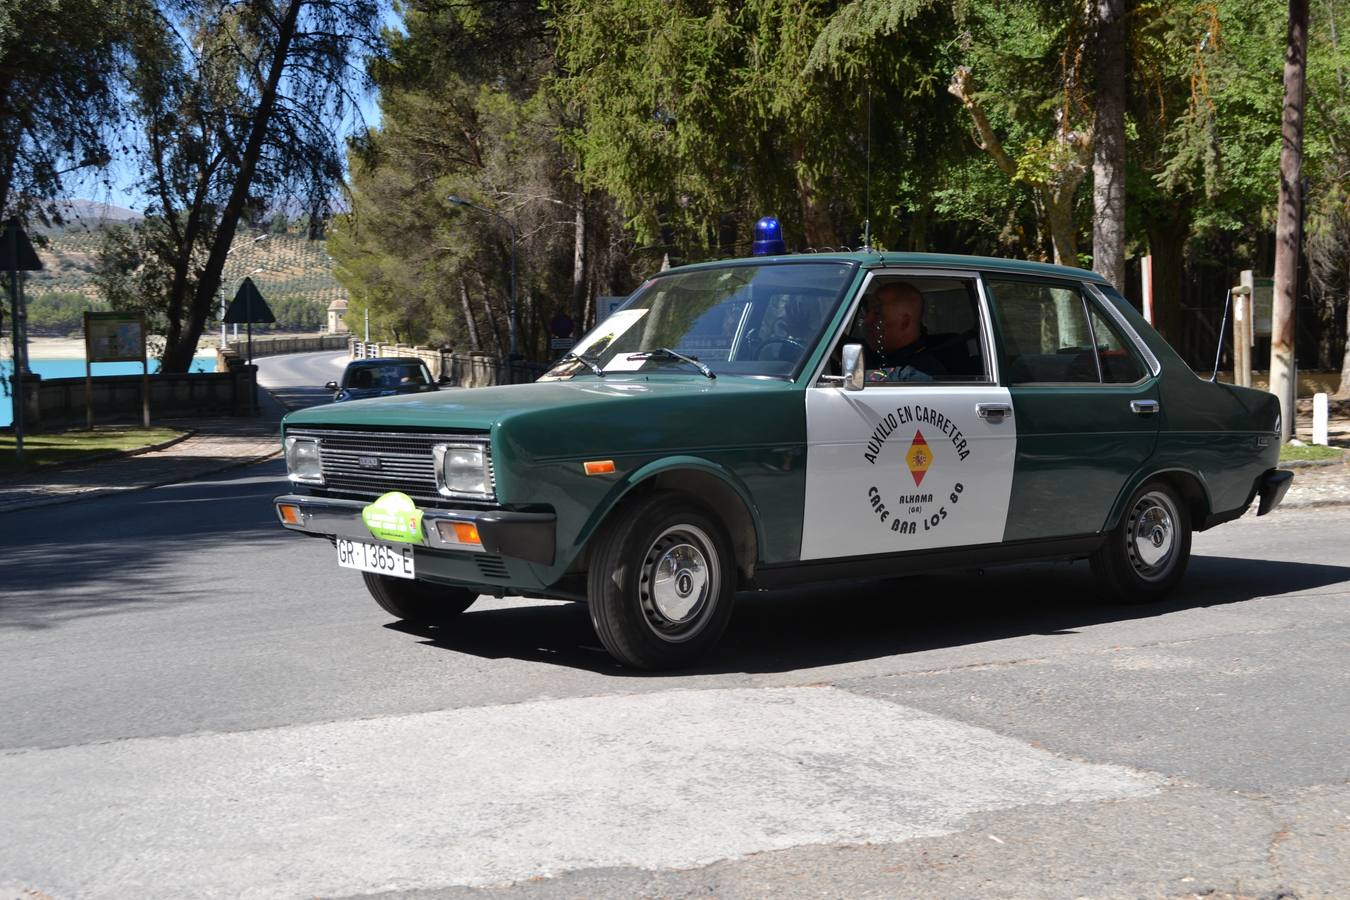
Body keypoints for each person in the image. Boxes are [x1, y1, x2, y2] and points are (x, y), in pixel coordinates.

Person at [861, 282, 948, 382]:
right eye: (867, 311)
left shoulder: (919, 373)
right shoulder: (876, 354)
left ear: (905, 322)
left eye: (877, 313)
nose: (867, 320)